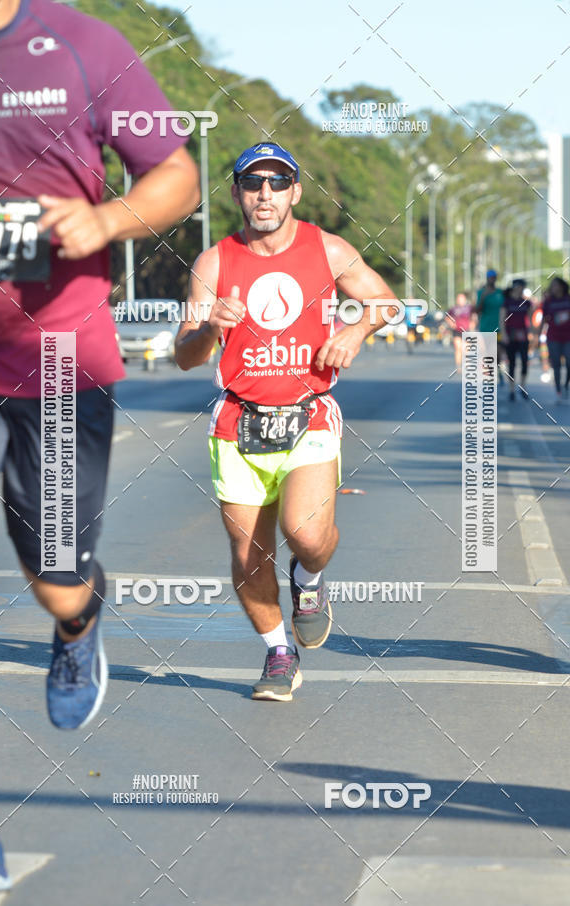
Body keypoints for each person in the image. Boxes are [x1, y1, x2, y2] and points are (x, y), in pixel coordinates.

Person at [0, 0, 199, 890]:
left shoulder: (81, 44)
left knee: (55, 578)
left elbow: (174, 175)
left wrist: (109, 221)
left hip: (59, 360)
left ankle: (80, 621)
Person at [175, 142, 397, 702]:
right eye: (253, 184)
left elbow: (386, 302)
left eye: (277, 183)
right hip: (237, 422)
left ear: (295, 191)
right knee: (249, 556)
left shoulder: (327, 248)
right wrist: (209, 330)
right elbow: (185, 352)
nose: (265, 194)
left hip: (308, 415)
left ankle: (311, 579)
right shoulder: (215, 261)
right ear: (237, 194)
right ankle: (278, 651)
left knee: (305, 533)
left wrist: (353, 331)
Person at [500, 279, 531, 401]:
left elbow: (530, 320)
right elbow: (502, 320)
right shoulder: (507, 302)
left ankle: (523, 387)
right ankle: (511, 389)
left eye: (522, 287)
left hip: (523, 335)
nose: (520, 290)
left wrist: (533, 333)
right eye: (518, 287)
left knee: (524, 361)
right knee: (512, 363)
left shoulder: (526, 303)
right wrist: (504, 335)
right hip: (510, 335)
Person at [542, 277, 570, 402]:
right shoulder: (548, 301)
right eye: (552, 286)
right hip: (553, 337)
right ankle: (558, 389)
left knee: (569, 361)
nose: (554, 288)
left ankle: (566, 385)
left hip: (568, 336)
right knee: (556, 364)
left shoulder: (568, 299)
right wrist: (537, 335)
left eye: (556, 285)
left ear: (562, 286)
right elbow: (544, 318)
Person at [476, 269, 505, 383]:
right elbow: (477, 310)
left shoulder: (500, 292)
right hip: (486, 327)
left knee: (498, 350)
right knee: (489, 351)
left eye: (494, 277)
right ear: (487, 278)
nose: (492, 279)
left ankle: (497, 369)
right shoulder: (481, 292)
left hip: (499, 327)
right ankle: (491, 374)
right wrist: (483, 297)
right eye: (490, 277)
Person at [447, 291, 474, 371]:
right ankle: (458, 366)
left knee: (466, 349)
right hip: (457, 331)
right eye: (458, 298)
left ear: (464, 299)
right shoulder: (454, 308)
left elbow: (474, 317)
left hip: (466, 330)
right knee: (458, 348)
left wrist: (473, 324)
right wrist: (451, 323)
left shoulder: (469, 308)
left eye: (461, 298)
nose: (460, 300)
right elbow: (447, 317)